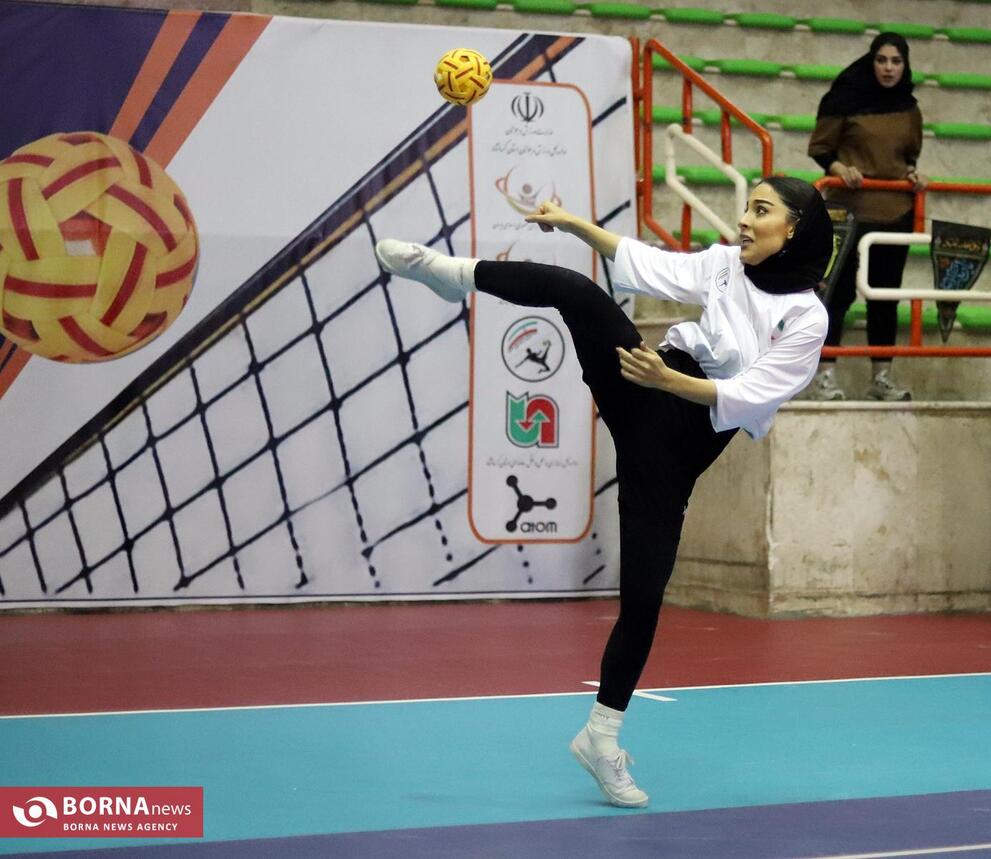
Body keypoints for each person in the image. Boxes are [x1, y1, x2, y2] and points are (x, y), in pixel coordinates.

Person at [374, 176, 831, 808]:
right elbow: (649, 264)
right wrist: (571, 224)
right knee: (576, 291)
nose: (744, 220)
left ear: (795, 229)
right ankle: (451, 274)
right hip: (646, 384)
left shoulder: (807, 318)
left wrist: (668, 382)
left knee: (643, 601)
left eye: (761, 210)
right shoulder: (726, 265)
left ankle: (601, 737)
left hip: (677, 445)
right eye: (745, 207)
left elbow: (751, 394)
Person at [806, 32, 926, 401]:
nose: (888, 68)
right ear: (871, 61)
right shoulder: (843, 98)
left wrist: (912, 174)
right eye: (882, 60)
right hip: (847, 212)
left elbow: (908, 155)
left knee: (886, 297)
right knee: (837, 293)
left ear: (905, 65)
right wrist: (840, 168)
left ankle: (882, 378)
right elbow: (821, 149)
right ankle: (824, 376)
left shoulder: (909, 108)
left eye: (896, 61)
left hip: (895, 212)